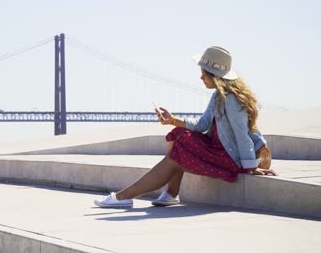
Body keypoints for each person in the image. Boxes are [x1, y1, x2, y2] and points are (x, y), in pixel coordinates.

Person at [94, 46, 278, 208]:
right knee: (178, 133)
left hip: (228, 157)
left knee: (176, 157)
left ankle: (124, 196)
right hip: (218, 149)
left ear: (216, 76)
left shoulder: (231, 100)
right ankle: (170, 194)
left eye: (204, 73)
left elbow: (242, 135)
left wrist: (250, 167)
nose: (200, 77)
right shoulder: (218, 96)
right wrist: (173, 120)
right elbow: (203, 124)